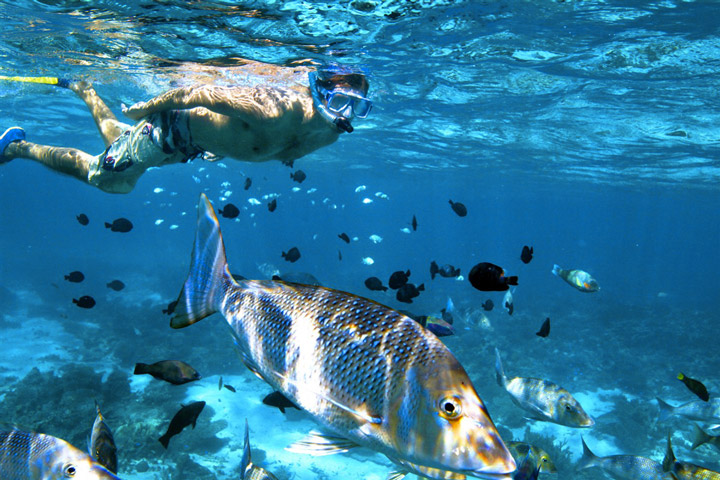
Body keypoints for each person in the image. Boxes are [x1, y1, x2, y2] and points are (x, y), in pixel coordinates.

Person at [0, 63, 371, 194]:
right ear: (319, 91)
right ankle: (15, 148)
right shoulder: (274, 111)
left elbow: (265, 146)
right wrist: (146, 108)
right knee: (110, 179)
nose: (346, 114)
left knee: (117, 142)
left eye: (357, 108)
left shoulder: (333, 131)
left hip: (190, 145)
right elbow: (199, 92)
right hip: (169, 131)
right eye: (341, 102)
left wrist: (221, 144)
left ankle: (85, 90)